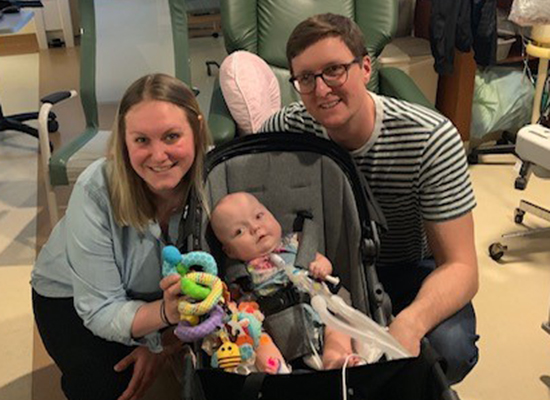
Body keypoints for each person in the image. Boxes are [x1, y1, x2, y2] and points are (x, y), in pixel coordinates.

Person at [258, 13, 479, 384]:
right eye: (307, 78)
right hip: (322, 273)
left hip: (406, 267)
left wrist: (409, 323)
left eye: (334, 70)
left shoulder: (430, 139)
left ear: (365, 68)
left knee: (448, 350)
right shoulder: (284, 130)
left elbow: (462, 267)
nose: (322, 89)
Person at [31, 73, 210, 400]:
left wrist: (162, 343)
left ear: (197, 129)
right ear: (124, 142)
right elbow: (99, 310)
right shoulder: (96, 189)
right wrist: (161, 324)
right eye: (142, 140)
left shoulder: (217, 178)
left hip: (153, 297)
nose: (158, 156)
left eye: (171, 136)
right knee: (107, 386)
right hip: (74, 297)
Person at [210, 191, 361, 371]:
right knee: (257, 340)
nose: (255, 228)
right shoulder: (240, 273)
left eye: (259, 216)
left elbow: (324, 262)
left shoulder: (296, 243)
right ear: (229, 251)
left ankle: (335, 360)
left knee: (338, 327)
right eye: (239, 231)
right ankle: (276, 369)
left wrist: (322, 266)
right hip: (274, 326)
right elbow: (234, 303)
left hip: (319, 313)